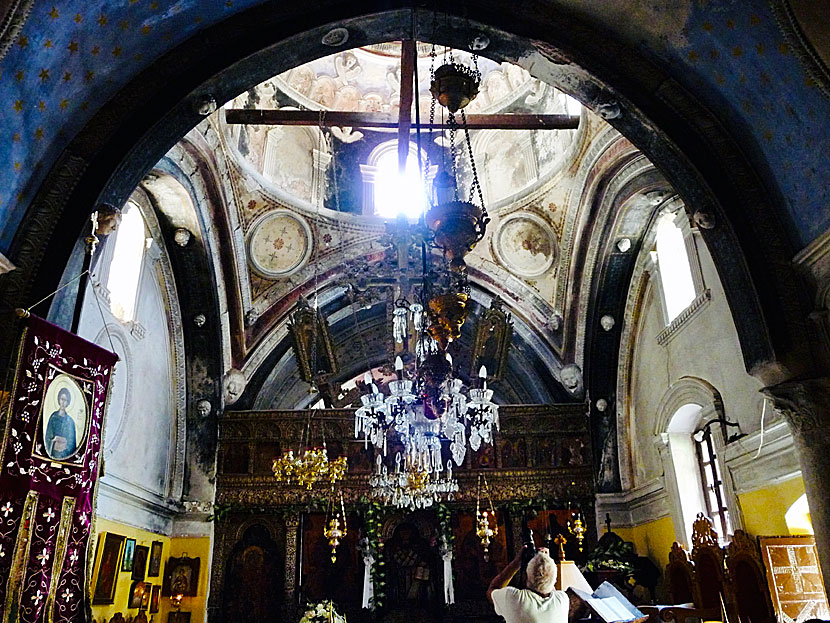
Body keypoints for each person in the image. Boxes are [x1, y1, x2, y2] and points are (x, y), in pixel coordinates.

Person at [487, 546, 568, 623]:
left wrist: (516, 563)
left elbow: (492, 589)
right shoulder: (563, 599)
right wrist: (546, 562)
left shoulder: (514, 598)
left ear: (525, 576)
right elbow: (550, 586)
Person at [45, 387, 77, 459]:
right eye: (62, 399)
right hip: (53, 452)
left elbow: (72, 442)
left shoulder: (70, 421)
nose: (63, 402)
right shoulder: (53, 417)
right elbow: (48, 436)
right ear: (59, 399)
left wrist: (64, 441)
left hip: (64, 453)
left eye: (65, 400)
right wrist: (53, 440)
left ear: (68, 402)